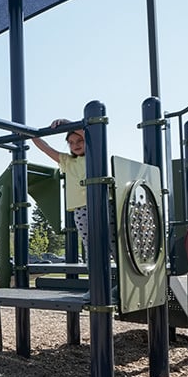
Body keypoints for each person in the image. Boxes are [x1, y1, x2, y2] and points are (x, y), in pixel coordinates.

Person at [31, 119, 116, 301]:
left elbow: (92, 135)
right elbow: (45, 148)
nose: (75, 145)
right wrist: (31, 133)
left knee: (114, 245)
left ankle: (121, 287)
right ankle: (98, 287)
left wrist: (68, 124)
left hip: (103, 205)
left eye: (79, 141)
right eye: (71, 142)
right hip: (81, 210)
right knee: (92, 250)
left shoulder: (95, 155)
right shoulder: (67, 161)